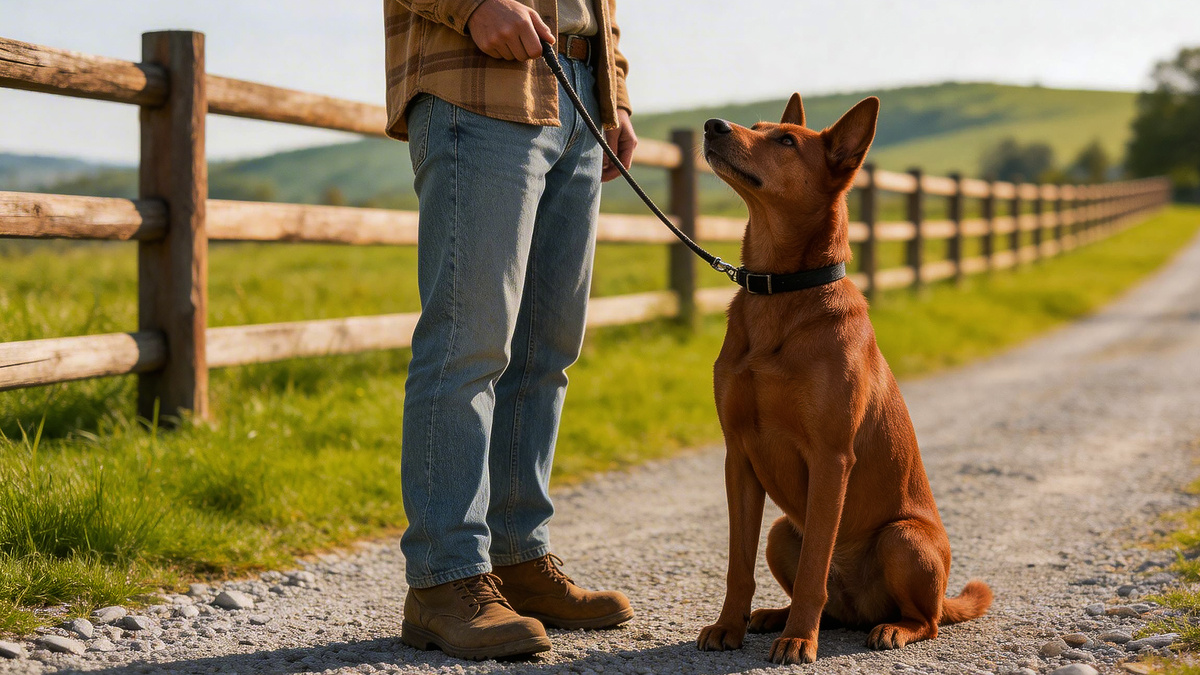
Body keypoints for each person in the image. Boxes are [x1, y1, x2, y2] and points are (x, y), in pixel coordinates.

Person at [383, 0, 639, 660]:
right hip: (478, 82)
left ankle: (517, 558)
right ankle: (445, 579)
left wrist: (614, 91)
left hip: (581, 96)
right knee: (467, 344)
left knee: (545, 349)